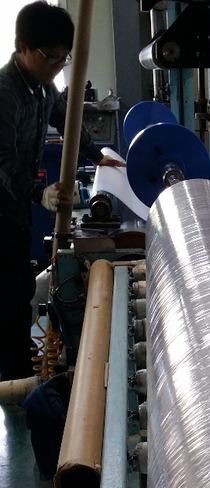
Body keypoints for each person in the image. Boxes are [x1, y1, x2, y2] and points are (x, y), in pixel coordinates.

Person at [0, 1, 123, 381]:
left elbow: (65, 118)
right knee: (8, 299)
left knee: (19, 291)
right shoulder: (5, 94)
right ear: (22, 47)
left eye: (63, 58)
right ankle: (14, 384)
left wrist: (96, 156)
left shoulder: (41, 86)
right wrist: (40, 193)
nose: (57, 66)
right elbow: (2, 162)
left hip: (16, 208)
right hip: (2, 207)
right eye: (49, 57)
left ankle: (20, 370)